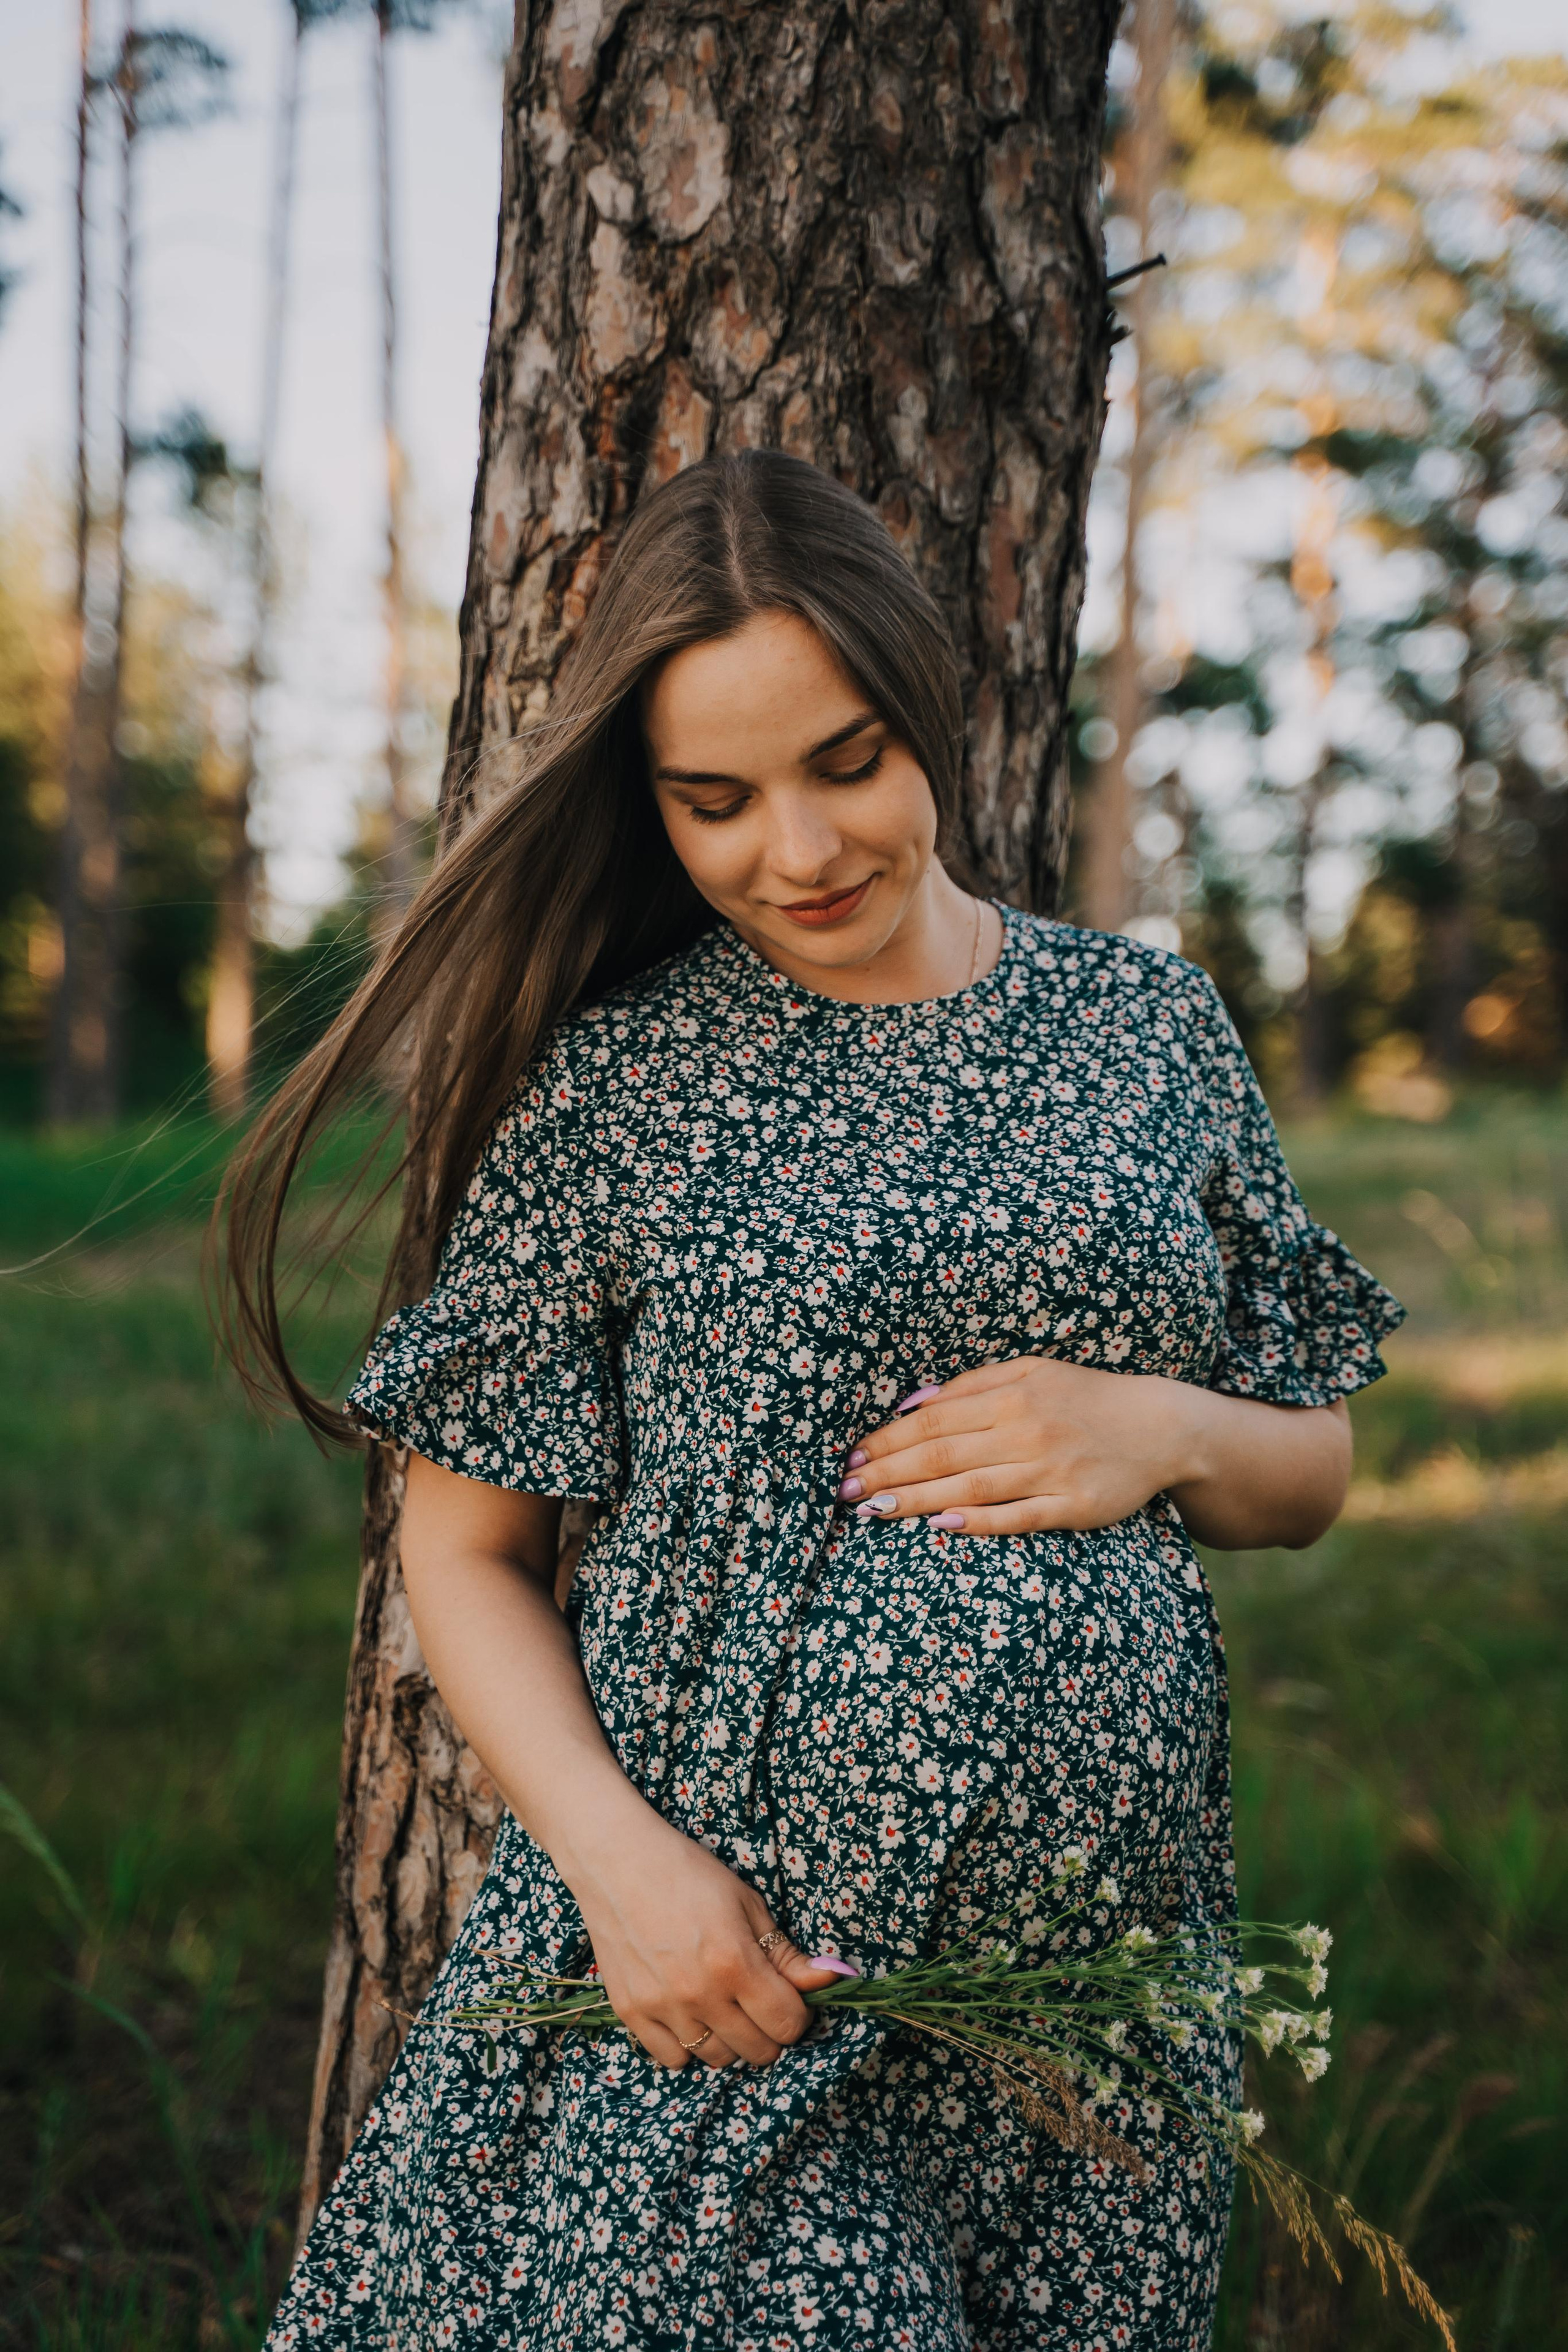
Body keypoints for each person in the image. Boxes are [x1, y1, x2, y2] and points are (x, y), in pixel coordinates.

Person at [228, 451, 1403, 2351]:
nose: (797, 849)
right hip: (734, 1979)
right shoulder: (616, 1086)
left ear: (928, 711)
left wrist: (1160, 1430)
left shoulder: (1144, 1027)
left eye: (846, 763)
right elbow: (460, 1549)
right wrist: (629, 1880)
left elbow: (1313, 1469)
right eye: (717, 800)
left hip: (1090, 2007)